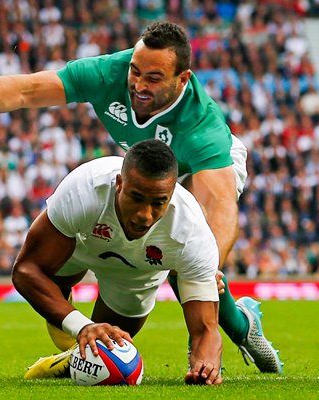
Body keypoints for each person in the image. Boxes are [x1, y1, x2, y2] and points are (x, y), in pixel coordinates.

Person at [0, 21, 282, 374]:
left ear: (182, 79)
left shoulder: (201, 127)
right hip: (145, 170)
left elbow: (221, 204)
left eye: (153, 78)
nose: (138, 84)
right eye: (136, 71)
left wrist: (214, 264)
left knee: (191, 270)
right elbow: (28, 89)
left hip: (199, 173)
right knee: (70, 321)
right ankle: (76, 339)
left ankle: (242, 327)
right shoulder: (109, 74)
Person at [12, 140, 223, 384]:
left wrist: (205, 367)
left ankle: (69, 360)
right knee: (48, 280)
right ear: (119, 184)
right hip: (80, 247)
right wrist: (81, 326)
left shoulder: (191, 230)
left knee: (105, 349)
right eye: (136, 197)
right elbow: (26, 270)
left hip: (136, 275)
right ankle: (71, 326)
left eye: (158, 203)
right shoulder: (84, 190)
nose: (145, 215)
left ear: (172, 196)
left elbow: (206, 330)